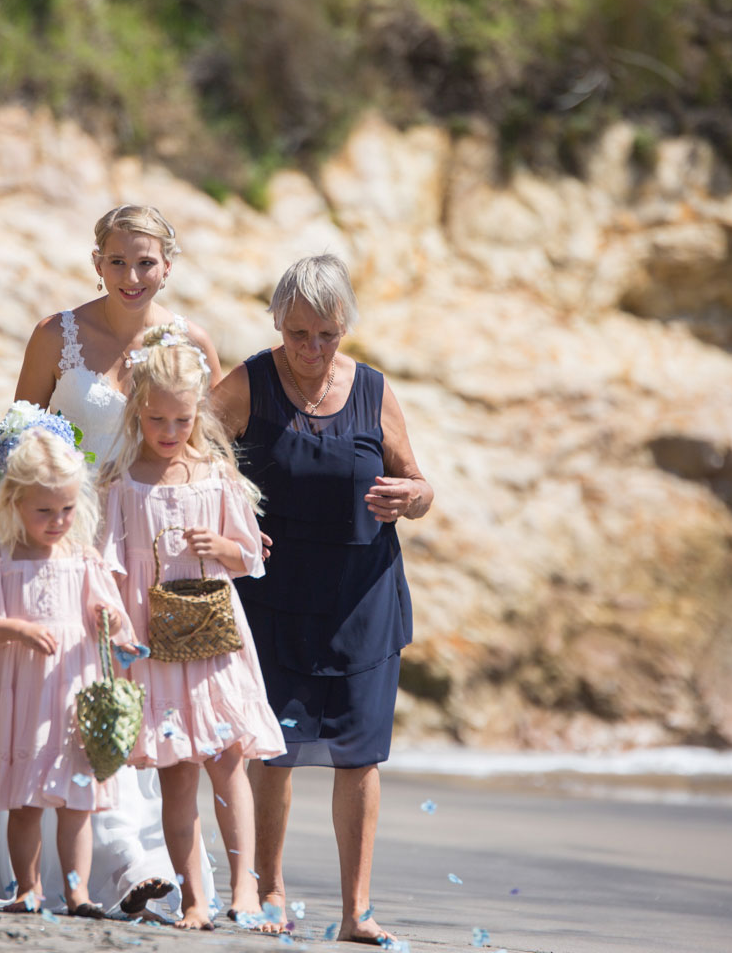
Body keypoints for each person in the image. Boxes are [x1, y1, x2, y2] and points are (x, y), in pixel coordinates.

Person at [0, 203, 221, 918]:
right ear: (97, 263)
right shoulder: (57, 336)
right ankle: (119, 865)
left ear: (168, 267)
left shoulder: (190, 342)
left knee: (136, 705)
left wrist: (230, 530)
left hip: (150, 556)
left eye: (145, 263)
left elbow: (205, 453)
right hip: (65, 549)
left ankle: (139, 861)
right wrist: (15, 548)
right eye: (117, 261)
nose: (131, 276)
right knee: (71, 703)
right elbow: (15, 448)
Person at [211, 254, 433, 946]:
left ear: (345, 328)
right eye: (298, 333)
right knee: (272, 752)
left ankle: (356, 912)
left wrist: (414, 498)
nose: (310, 350)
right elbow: (189, 458)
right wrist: (228, 526)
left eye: (326, 335)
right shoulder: (248, 382)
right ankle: (269, 892)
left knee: (360, 757)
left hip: (363, 599)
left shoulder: (372, 390)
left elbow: (418, 484)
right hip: (270, 600)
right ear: (277, 322)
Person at [99, 326, 285, 930]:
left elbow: (252, 560)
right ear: (137, 412)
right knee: (178, 780)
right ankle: (195, 900)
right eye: (157, 420)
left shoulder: (216, 476)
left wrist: (224, 546)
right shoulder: (124, 485)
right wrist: (119, 625)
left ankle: (246, 892)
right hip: (155, 648)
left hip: (214, 644)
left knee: (229, 765)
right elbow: (105, 566)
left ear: (197, 414)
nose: (170, 433)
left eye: (181, 421)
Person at [0, 413, 137, 918]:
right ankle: (27, 888)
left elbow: (111, 614)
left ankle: (78, 893)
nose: (57, 520)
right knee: (26, 800)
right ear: (14, 501)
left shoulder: (82, 559)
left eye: (66, 508)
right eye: (44, 511)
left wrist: (109, 617)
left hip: (72, 693)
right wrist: (16, 628)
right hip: (20, 695)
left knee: (79, 799)